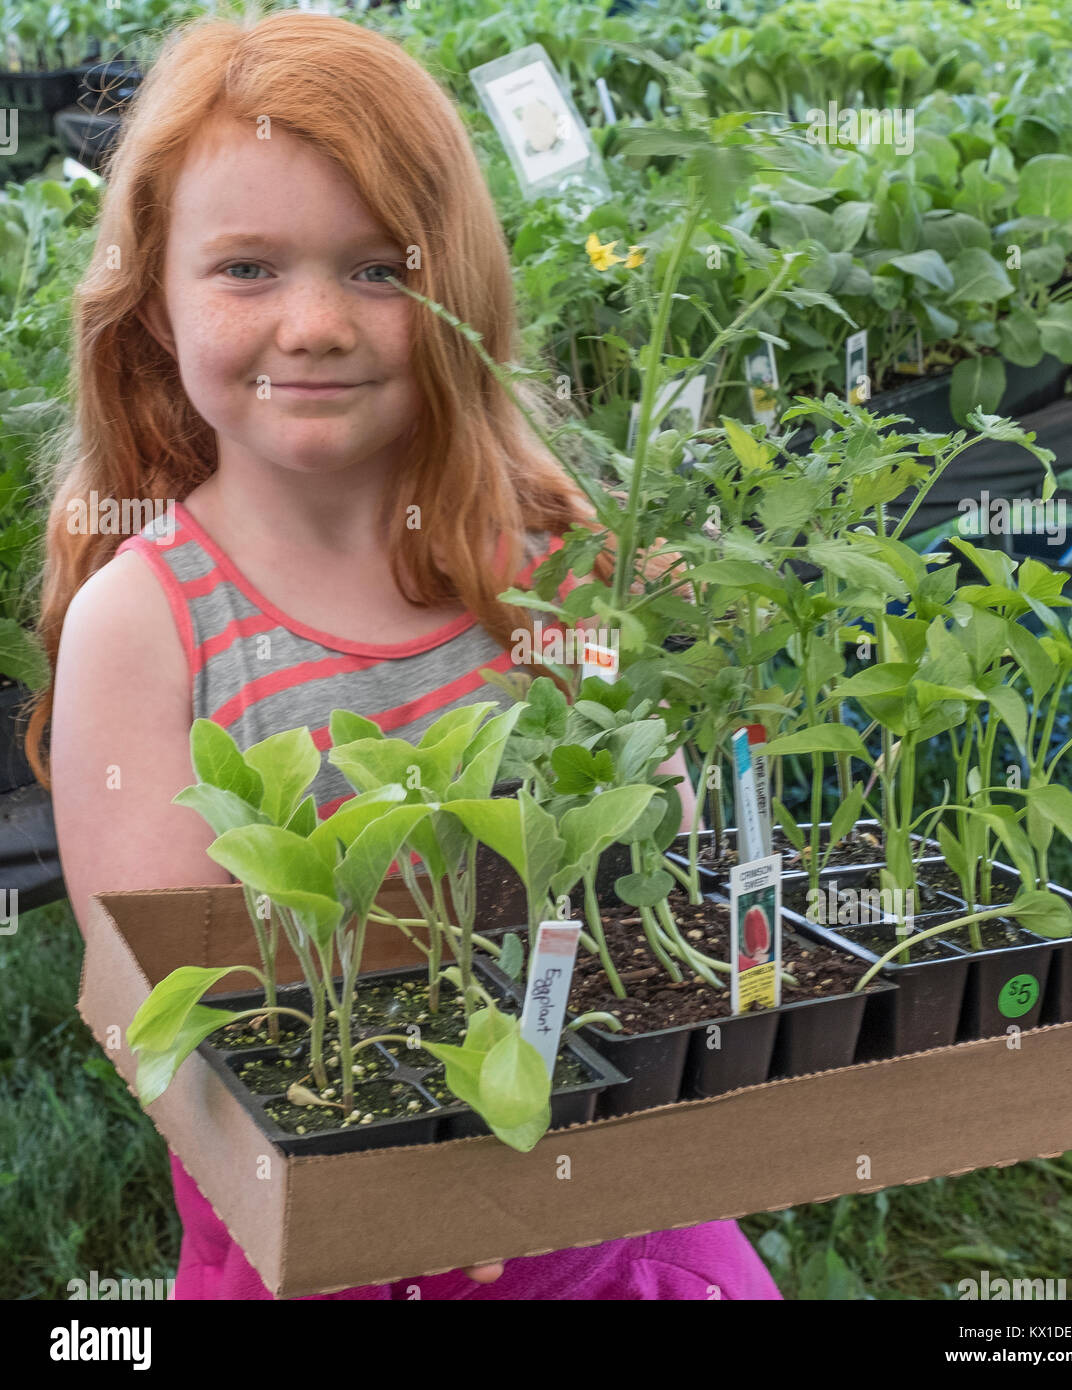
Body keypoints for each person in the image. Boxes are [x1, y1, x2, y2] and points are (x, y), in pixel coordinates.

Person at [36, 10, 781, 1302]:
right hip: (322, 1232)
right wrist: (369, 1193)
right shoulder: (148, 622)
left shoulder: (537, 564)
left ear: (459, 296)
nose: (315, 321)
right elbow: (137, 994)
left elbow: (651, 866)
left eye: (378, 268)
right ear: (154, 297)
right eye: (247, 269)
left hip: (606, 1208)